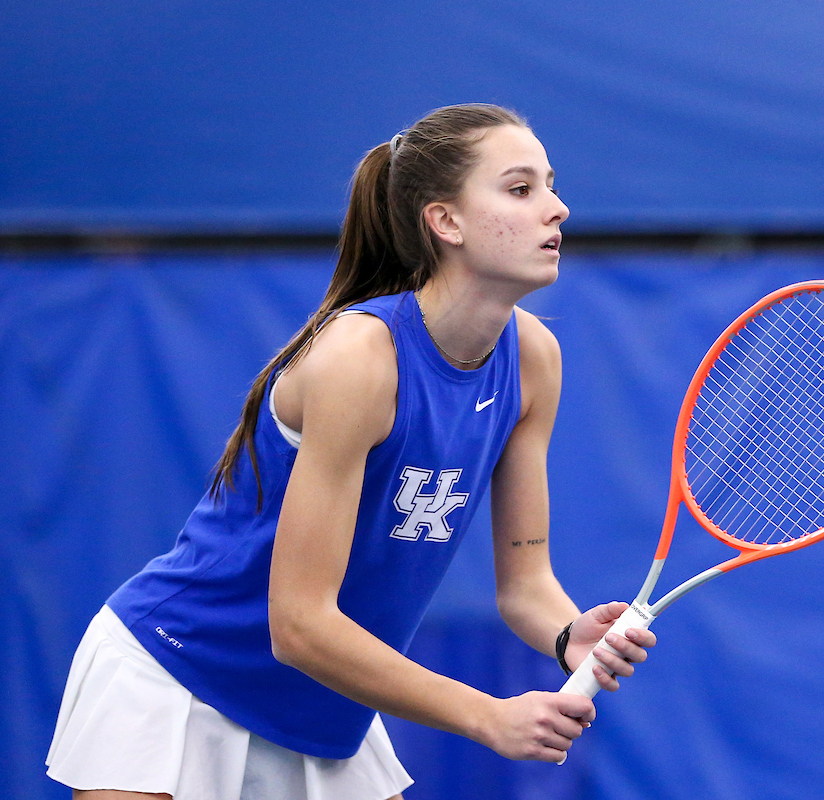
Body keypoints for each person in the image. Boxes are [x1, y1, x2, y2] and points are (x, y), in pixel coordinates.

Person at [46, 103, 656, 800]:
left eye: (550, 184)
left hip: (324, 708)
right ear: (444, 221)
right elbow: (299, 625)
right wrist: (487, 716)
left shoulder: (535, 361)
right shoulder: (360, 359)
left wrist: (567, 632)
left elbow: (525, 586)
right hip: (181, 676)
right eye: (521, 189)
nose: (558, 208)